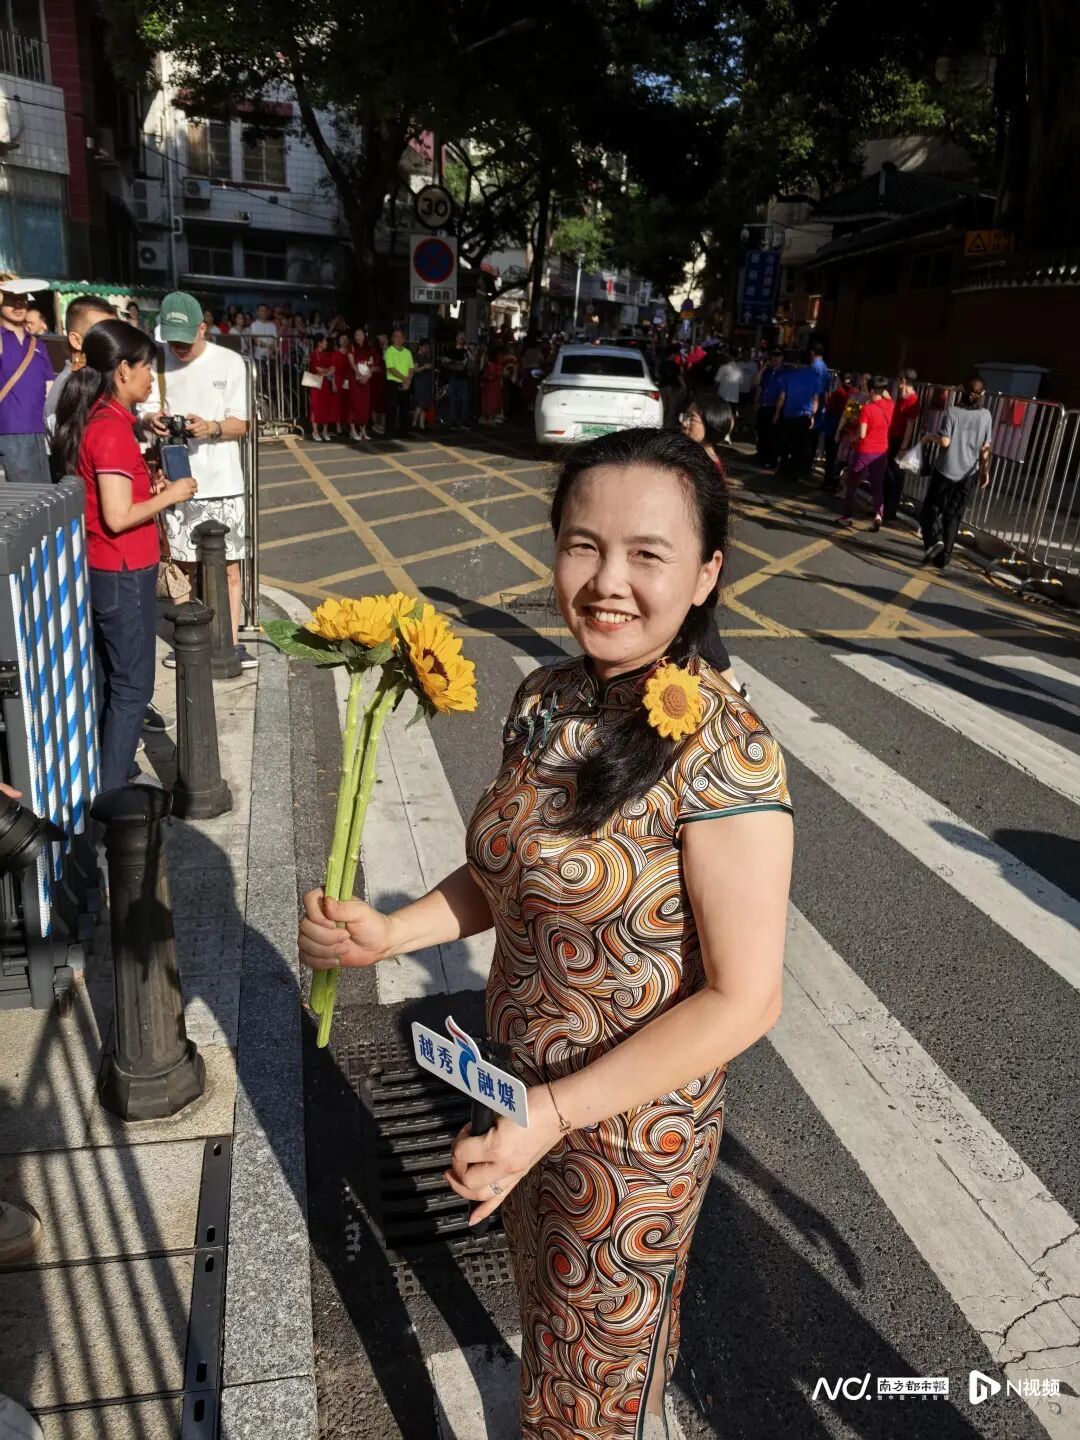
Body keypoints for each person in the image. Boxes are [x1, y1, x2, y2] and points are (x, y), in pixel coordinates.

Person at [298, 427, 792, 1440]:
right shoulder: (546, 698)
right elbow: (501, 877)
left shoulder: (728, 754)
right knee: (547, 1338)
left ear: (706, 574)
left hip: (627, 1136)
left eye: (648, 555)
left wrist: (555, 1112)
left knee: (591, 1397)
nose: (608, 581)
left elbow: (748, 997)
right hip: (514, 1093)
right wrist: (388, 933)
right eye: (582, 544)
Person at [53, 320, 197, 793]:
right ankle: (111, 795)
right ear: (121, 372)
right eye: (145, 369)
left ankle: (113, 767)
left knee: (113, 677)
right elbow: (117, 516)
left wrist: (148, 488)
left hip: (109, 567)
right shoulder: (110, 431)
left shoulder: (101, 419)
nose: (151, 379)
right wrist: (172, 493)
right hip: (121, 569)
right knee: (134, 685)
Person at [140, 292, 254, 666]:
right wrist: (150, 420)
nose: (178, 347)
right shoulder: (157, 362)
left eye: (185, 339)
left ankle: (232, 641)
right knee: (183, 566)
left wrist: (212, 427)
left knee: (230, 566)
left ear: (203, 328)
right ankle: (189, 640)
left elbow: (243, 422)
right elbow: (144, 408)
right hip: (177, 479)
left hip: (223, 480)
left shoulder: (230, 362)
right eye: (172, 339)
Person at [919, 375, 992, 568]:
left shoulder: (952, 412)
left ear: (962, 392)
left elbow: (945, 442)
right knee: (954, 515)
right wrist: (985, 470)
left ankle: (934, 542)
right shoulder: (986, 416)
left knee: (930, 510)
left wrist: (928, 438)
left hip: (946, 470)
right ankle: (945, 557)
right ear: (982, 394)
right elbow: (985, 448)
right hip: (969, 474)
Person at [0, 278, 55, 483]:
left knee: (43, 502)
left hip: (39, 434)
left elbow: (49, 389)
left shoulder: (39, 345)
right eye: (11, 299)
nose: (18, 305)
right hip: (9, 432)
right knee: (23, 505)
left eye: (22, 299)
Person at [44, 294, 116, 444]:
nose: (113, 341)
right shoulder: (66, 389)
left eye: (114, 333)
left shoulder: (104, 378)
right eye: (103, 334)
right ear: (76, 340)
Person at [837, 375, 891, 530]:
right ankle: (878, 515)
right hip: (881, 450)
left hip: (865, 449)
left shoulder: (868, 408)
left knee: (852, 482)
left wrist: (853, 439)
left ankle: (847, 515)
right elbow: (885, 395)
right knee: (877, 485)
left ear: (871, 389)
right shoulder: (889, 406)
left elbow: (862, 434)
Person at [883, 368, 920, 523]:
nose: (897, 383)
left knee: (895, 477)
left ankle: (890, 511)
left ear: (903, 381)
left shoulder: (912, 400)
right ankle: (883, 508)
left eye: (898, 380)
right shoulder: (901, 397)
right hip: (892, 438)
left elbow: (910, 426)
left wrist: (903, 448)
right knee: (887, 475)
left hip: (900, 441)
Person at [774, 358, 821, 479]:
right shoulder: (814, 379)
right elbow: (815, 400)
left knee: (785, 442)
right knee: (798, 444)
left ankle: (782, 468)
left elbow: (782, 396)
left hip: (789, 413)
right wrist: (812, 416)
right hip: (804, 415)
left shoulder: (790, 376)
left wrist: (777, 412)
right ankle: (793, 471)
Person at [819, 373, 854, 493]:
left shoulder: (839, 393)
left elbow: (830, 408)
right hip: (846, 431)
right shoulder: (853, 394)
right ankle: (836, 483)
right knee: (840, 459)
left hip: (835, 426)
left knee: (831, 457)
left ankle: (828, 481)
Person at [754, 349, 785, 466]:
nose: (775, 359)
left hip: (775, 407)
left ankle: (771, 459)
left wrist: (778, 412)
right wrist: (762, 368)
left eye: (778, 356)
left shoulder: (784, 373)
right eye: (773, 356)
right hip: (764, 405)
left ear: (782, 358)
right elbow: (757, 384)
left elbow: (783, 393)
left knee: (772, 434)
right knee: (762, 431)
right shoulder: (767, 372)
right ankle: (761, 454)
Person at [384, 326, 414, 438]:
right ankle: (389, 431)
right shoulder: (389, 351)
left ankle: (404, 431)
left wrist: (408, 380)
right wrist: (404, 379)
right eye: (395, 336)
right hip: (393, 382)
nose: (398, 339)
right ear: (392, 338)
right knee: (391, 408)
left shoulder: (408, 352)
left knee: (404, 408)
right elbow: (391, 368)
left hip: (406, 383)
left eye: (400, 337)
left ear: (404, 339)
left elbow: (411, 368)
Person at [347, 326, 376, 441]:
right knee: (355, 404)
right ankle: (353, 430)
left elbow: (371, 364)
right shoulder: (352, 347)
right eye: (357, 335)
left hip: (366, 380)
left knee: (365, 405)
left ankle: (363, 430)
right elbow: (352, 363)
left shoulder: (369, 348)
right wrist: (359, 375)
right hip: (355, 379)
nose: (360, 337)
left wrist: (368, 376)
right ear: (354, 337)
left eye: (361, 334)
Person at [306, 334, 336, 441]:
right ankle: (315, 431)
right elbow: (318, 368)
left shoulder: (328, 354)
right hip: (315, 384)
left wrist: (325, 372)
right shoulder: (314, 354)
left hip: (325, 383)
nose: (326, 343)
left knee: (326, 406)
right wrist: (326, 371)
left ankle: (324, 431)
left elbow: (332, 369)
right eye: (324, 341)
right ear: (319, 343)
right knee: (315, 407)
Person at [441, 331, 473, 427]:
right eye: (460, 337)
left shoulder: (465, 350)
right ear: (456, 338)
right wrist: (453, 362)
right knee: (452, 399)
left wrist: (467, 350)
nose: (461, 339)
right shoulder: (451, 349)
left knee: (465, 399)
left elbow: (473, 359)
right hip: (453, 377)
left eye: (463, 337)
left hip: (463, 377)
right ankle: (453, 420)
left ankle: (464, 420)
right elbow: (444, 361)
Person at [329, 332, 353, 438]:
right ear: (338, 340)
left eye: (346, 338)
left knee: (347, 404)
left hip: (348, 380)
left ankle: (345, 425)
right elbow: (332, 370)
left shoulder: (350, 353)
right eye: (342, 338)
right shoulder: (334, 354)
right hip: (338, 380)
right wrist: (333, 383)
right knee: (337, 404)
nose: (344, 340)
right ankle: (338, 427)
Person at [410, 338, 435, 430]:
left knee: (425, 405)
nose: (427, 349)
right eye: (425, 347)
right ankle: (414, 422)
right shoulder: (416, 356)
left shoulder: (428, 356)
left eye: (428, 347)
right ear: (420, 347)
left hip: (427, 382)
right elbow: (415, 370)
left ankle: (421, 425)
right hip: (419, 382)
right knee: (420, 404)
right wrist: (424, 367)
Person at [480, 340, 504, 425]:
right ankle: (491, 417)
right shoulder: (498, 358)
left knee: (487, 399)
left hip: (488, 380)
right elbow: (499, 370)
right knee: (493, 399)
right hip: (494, 381)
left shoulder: (487, 357)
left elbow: (483, 368)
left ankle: (487, 417)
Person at [370, 333, 388, 435]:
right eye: (382, 339)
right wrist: (372, 368)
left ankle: (383, 425)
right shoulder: (374, 350)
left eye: (385, 340)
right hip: (376, 379)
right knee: (376, 403)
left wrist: (385, 349)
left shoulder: (387, 350)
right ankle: (375, 424)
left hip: (385, 379)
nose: (384, 341)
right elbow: (370, 362)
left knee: (384, 403)